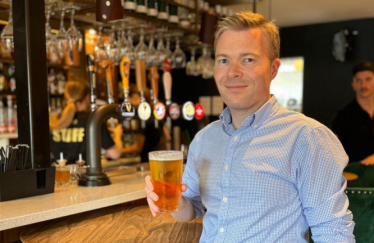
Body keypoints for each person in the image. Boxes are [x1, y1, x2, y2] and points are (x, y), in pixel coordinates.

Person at [145, 11, 355, 242]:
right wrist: (170, 197)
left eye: (248, 60)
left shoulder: (308, 137)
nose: (233, 72)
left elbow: (334, 232)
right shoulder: (204, 139)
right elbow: (191, 209)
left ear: (273, 69)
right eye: (224, 60)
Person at [50, 79, 122, 165]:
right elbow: (115, 154)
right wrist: (117, 135)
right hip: (84, 176)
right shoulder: (93, 120)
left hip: (59, 176)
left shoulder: (54, 120)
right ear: (87, 97)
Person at [332, 62, 374, 166]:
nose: (363, 85)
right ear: (353, 85)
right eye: (358, 81)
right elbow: (332, 148)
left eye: (368, 79)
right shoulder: (343, 116)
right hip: (356, 175)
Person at [121, 84, 164, 162]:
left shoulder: (143, 117)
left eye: (133, 98)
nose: (129, 101)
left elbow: (138, 147)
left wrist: (118, 152)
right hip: (159, 158)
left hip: (148, 161)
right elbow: (166, 137)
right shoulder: (156, 114)